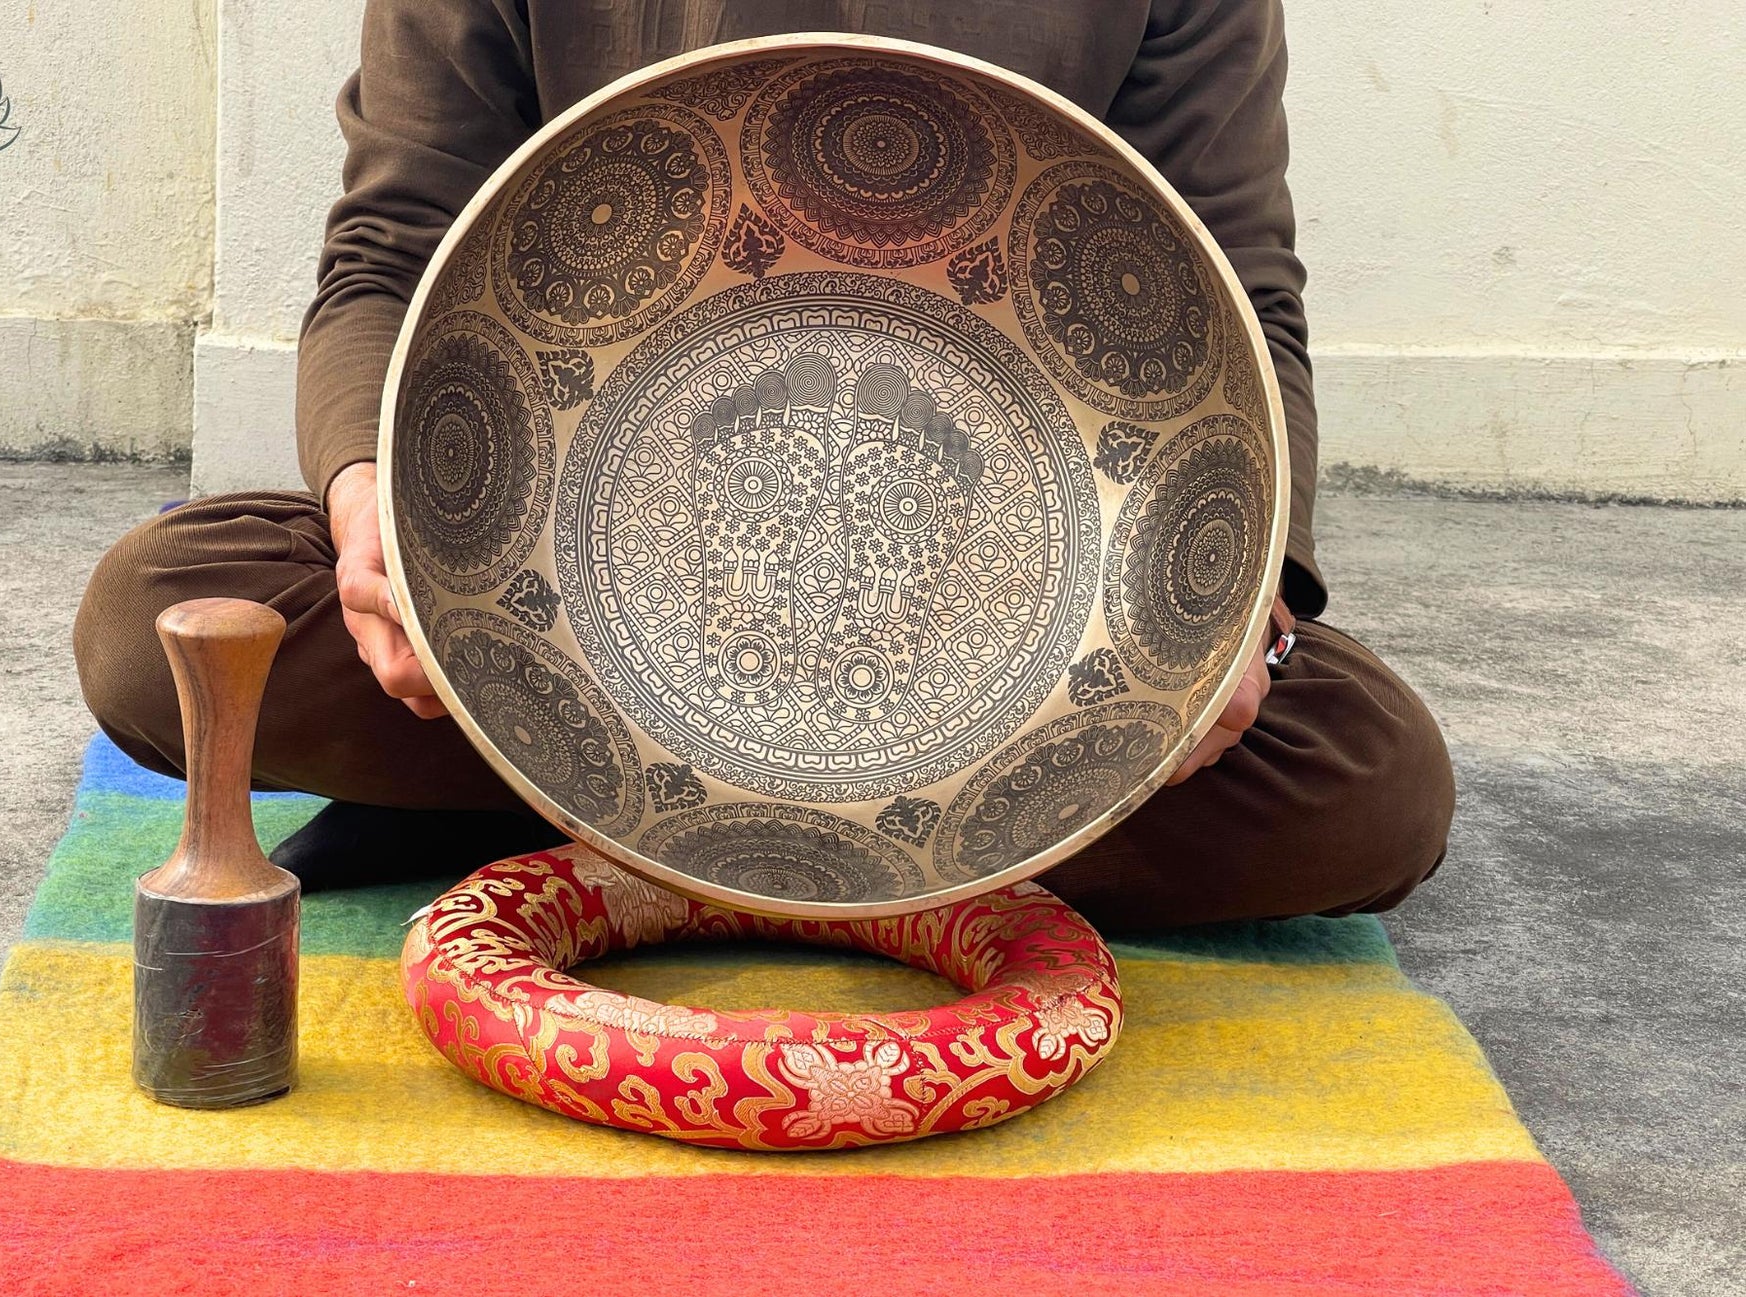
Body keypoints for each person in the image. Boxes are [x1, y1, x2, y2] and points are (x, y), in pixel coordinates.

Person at [74, 0, 1454, 929]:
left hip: (992, 636)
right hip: (574, 584)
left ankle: (604, 834)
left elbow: (1239, 305)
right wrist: (367, 497)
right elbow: (388, 256)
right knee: (163, 616)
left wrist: (1241, 601)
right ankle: (892, 869)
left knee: (1365, 783)